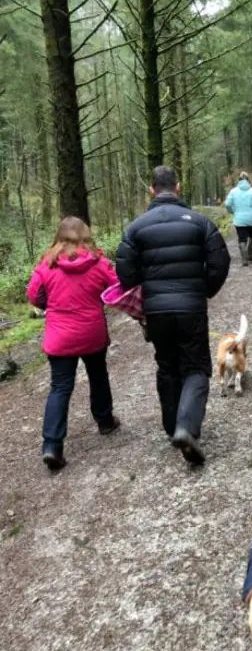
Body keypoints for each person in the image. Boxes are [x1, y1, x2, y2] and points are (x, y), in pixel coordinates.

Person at [116, 165, 230, 465]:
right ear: (178, 188)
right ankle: (186, 427)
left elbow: (125, 272)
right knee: (196, 367)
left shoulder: (135, 228)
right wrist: (205, 290)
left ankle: (173, 428)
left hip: (156, 310)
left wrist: (144, 295)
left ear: (151, 190)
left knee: (167, 365)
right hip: (191, 306)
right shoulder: (200, 222)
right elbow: (220, 260)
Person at [26, 217, 120, 471]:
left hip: (59, 336)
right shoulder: (99, 262)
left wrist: (52, 307)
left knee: (60, 387)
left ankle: (52, 446)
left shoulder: (47, 264)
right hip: (91, 332)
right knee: (98, 375)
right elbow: (115, 290)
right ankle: (105, 421)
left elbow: (34, 296)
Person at [224, 171, 252, 266]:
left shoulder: (233, 191)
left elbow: (227, 204)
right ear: (248, 180)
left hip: (239, 219)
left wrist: (232, 211)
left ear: (239, 180)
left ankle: (244, 259)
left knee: (242, 239)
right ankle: (249, 254)